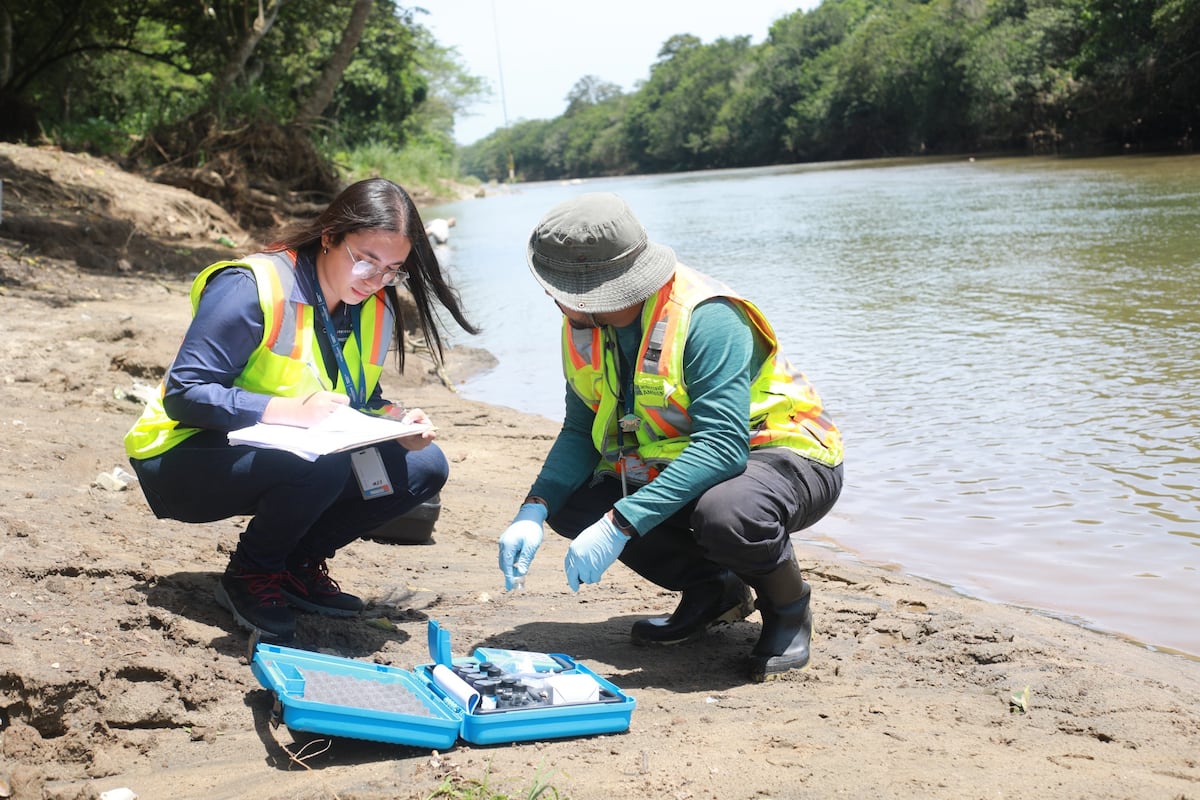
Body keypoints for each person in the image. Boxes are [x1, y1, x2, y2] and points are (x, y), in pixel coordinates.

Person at [497, 192, 844, 682]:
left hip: (783, 454)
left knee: (727, 515)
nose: (553, 298)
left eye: (561, 290)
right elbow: (581, 429)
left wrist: (620, 523)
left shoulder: (708, 317)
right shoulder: (581, 324)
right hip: (685, 457)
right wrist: (534, 508)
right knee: (571, 496)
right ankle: (713, 590)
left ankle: (788, 609)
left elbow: (724, 445)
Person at [124, 178, 479, 644]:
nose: (376, 280)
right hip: (182, 459)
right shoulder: (250, 286)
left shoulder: (372, 306)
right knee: (321, 463)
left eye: (392, 269)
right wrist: (283, 410)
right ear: (329, 237)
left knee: (423, 467)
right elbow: (185, 394)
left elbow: (356, 397)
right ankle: (251, 575)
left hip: (284, 450)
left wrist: (396, 421)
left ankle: (296, 565)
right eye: (365, 260)